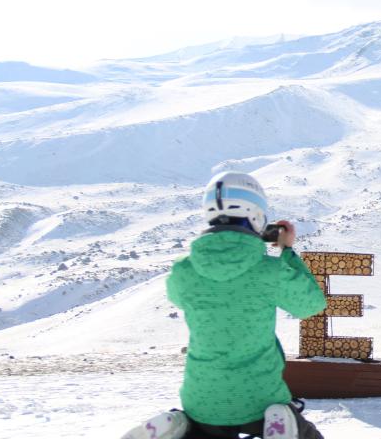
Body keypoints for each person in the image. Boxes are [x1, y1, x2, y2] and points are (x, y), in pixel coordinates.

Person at [123, 172, 327, 439]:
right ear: (257, 216)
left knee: (204, 425)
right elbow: (311, 304)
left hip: (201, 398)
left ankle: (183, 427)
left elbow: (178, 296)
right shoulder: (270, 271)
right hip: (260, 397)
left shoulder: (184, 271)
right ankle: (281, 429)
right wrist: (287, 252)